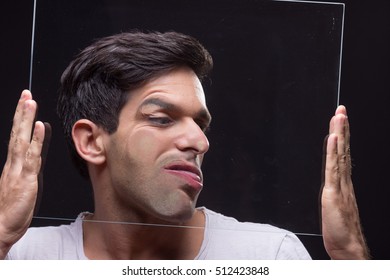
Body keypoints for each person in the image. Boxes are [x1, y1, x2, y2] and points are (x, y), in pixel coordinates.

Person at [0, 31, 369, 260]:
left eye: (201, 123)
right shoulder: (24, 257)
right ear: (92, 141)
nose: (199, 141)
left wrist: (352, 259)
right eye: (161, 119)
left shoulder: (269, 256)